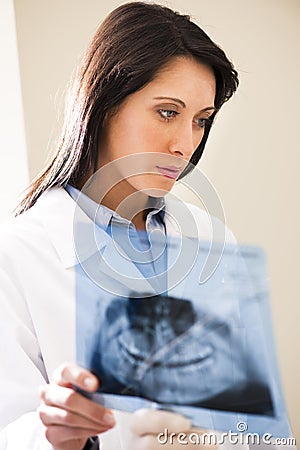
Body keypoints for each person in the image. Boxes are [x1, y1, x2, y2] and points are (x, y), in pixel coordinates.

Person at [0, 2, 239, 449]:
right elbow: (9, 431)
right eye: (168, 112)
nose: (184, 144)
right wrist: (60, 435)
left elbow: (243, 422)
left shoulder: (212, 242)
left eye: (200, 121)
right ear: (104, 103)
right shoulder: (16, 255)